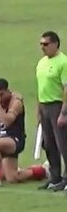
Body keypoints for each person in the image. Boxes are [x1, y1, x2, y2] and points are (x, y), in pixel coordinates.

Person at [0, 79, 47, 188]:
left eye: (2, 94)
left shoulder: (15, 102)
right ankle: (42, 171)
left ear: (8, 91)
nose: (0, 97)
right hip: (4, 138)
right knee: (12, 177)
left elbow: (7, 122)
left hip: (15, 139)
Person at [36, 31, 67, 191]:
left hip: (57, 105)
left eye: (46, 44)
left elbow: (66, 88)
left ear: (55, 44)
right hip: (44, 105)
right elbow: (40, 87)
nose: (43, 47)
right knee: (49, 144)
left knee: (63, 143)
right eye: (41, 44)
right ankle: (55, 177)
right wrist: (39, 110)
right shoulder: (41, 63)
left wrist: (64, 113)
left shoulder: (63, 62)